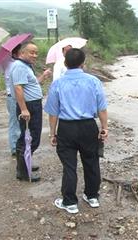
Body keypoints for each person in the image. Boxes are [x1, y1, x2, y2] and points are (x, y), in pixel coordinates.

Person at [44, 48, 108, 214]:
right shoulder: (93, 81)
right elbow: (102, 108)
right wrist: (104, 128)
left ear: (65, 63)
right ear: (83, 63)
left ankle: (70, 202)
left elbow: (53, 112)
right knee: (92, 162)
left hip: (67, 128)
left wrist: (52, 133)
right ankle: (92, 196)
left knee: (69, 165)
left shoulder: (57, 83)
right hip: (88, 126)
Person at [10, 41, 51, 182]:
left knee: (27, 137)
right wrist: (24, 109)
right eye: (31, 52)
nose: (35, 55)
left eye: (36, 52)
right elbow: (18, 88)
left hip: (32, 105)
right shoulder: (20, 67)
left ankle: (24, 165)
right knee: (31, 138)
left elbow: (29, 85)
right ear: (22, 53)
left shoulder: (25, 66)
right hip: (29, 106)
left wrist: (43, 76)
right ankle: (23, 172)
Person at [3, 44, 21, 157]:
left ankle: (16, 145)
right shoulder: (13, 65)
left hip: (10, 96)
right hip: (13, 96)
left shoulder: (7, 62)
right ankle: (14, 147)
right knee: (14, 123)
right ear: (15, 54)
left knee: (15, 122)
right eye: (20, 52)